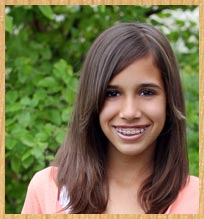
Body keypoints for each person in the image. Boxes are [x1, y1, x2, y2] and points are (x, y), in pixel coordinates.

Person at [21, 22, 199, 214]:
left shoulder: (195, 199)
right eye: (112, 94)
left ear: (169, 100)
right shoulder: (48, 191)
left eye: (147, 92)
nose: (130, 113)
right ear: (92, 99)